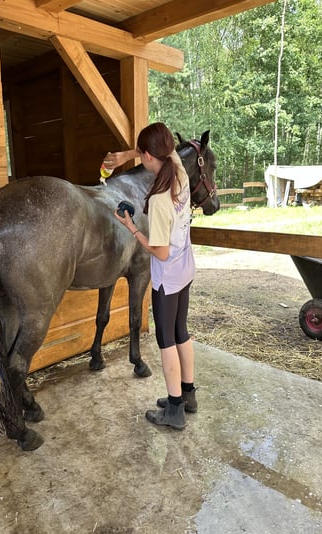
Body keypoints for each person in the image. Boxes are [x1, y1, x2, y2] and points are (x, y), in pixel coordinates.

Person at [106, 122, 197, 430]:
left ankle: (174, 409)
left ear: (147, 156)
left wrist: (131, 227)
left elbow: (158, 251)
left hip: (167, 278)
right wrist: (128, 155)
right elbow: (166, 148)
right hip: (185, 268)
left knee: (166, 340)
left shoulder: (159, 200)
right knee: (181, 331)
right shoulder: (180, 173)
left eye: (142, 154)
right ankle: (188, 394)